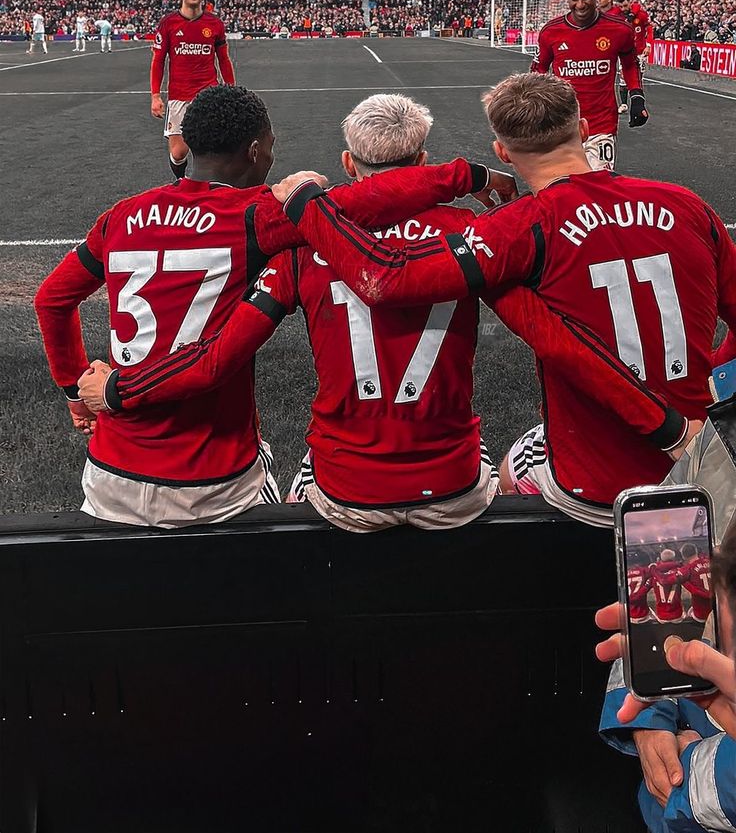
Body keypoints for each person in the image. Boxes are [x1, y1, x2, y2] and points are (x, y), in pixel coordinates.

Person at [87, 80, 706, 529]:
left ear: (348, 164)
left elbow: (219, 354)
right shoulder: (475, 235)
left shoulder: (302, 247)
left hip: (347, 494)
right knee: (518, 450)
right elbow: (553, 338)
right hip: (458, 489)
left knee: (292, 468)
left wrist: (109, 391)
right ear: (425, 161)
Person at [266, 72, 736, 524]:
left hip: (591, 488)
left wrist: (306, 202)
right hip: (700, 469)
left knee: (513, 467)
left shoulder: (513, 232)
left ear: (502, 153)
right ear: (586, 129)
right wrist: (710, 374)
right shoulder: (688, 203)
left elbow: (385, 277)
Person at [35, 86, 502, 526]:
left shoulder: (120, 216)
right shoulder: (257, 217)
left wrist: (75, 390)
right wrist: (469, 175)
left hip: (112, 465)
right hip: (214, 474)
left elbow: (52, 300)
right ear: (256, 152)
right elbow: (366, 200)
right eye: (273, 146)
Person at [596, 517, 736, 832]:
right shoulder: (707, 465)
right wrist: (649, 716)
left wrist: (687, 769)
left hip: (691, 801)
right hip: (686, 709)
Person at [531, 0, 647, 169]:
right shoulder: (551, 32)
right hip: (562, 125)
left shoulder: (619, 30)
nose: (580, 4)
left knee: (598, 188)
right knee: (564, 190)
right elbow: (538, 69)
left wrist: (636, 96)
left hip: (601, 125)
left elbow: (630, 64)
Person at [150, 0, 236, 181]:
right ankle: (181, 183)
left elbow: (224, 60)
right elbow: (158, 61)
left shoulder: (214, 24)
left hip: (209, 95)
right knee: (179, 153)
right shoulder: (168, 23)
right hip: (179, 96)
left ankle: (211, 187)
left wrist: (231, 89)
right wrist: (155, 95)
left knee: (213, 147)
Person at [619, 0, 652, 111]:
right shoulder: (619, 15)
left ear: (630, 3)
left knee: (638, 78)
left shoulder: (641, 14)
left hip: (640, 52)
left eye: (625, 6)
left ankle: (638, 104)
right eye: (621, 6)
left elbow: (649, 28)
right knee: (623, 77)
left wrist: (648, 45)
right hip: (625, 52)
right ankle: (623, 104)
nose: (623, 8)